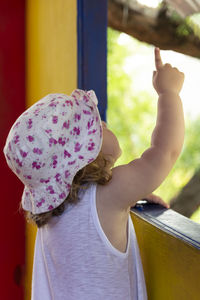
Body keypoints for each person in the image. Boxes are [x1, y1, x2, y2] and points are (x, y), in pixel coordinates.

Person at [3, 48, 184, 300]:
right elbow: (165, 153)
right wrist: (169, 93)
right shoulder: (108, 197)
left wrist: (130, 196)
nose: (105, 124)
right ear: (85, 156)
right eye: (97, 125)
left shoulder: (57, 212)